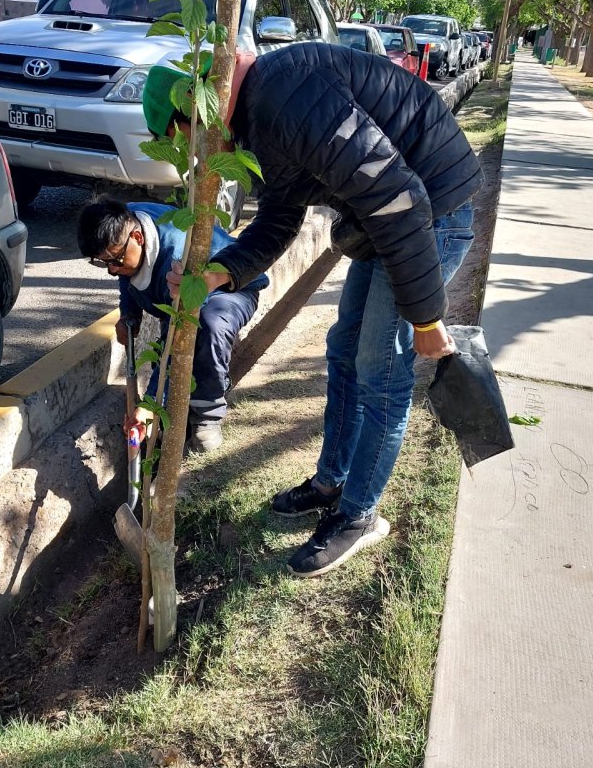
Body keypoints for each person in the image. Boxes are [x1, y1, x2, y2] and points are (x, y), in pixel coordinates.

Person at [142, 42, 483, 576]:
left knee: (381, 373)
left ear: (196, 109)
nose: (195, 159)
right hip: (383, 224)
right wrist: (217, 272)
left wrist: (425, 316)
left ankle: (359, 516)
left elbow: (399, 195)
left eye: (182, 142)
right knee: (344, 351)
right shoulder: (257, 115)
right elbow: (280, 219)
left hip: (427, 215)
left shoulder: (284, 95)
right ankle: (333, 481)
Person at [77, 197, 268, 453]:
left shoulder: (177, 262)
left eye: (115, 261)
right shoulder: (122, 221)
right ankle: (171, 412)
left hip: (233, 289)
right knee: (172, 356)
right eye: (103, 263)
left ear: (138, 237)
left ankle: (207, 415)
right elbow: (125, 272)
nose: (111, 271)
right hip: (181, 300)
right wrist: (128, 314)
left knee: (208, 327)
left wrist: (149, 405)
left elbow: (176, 343)